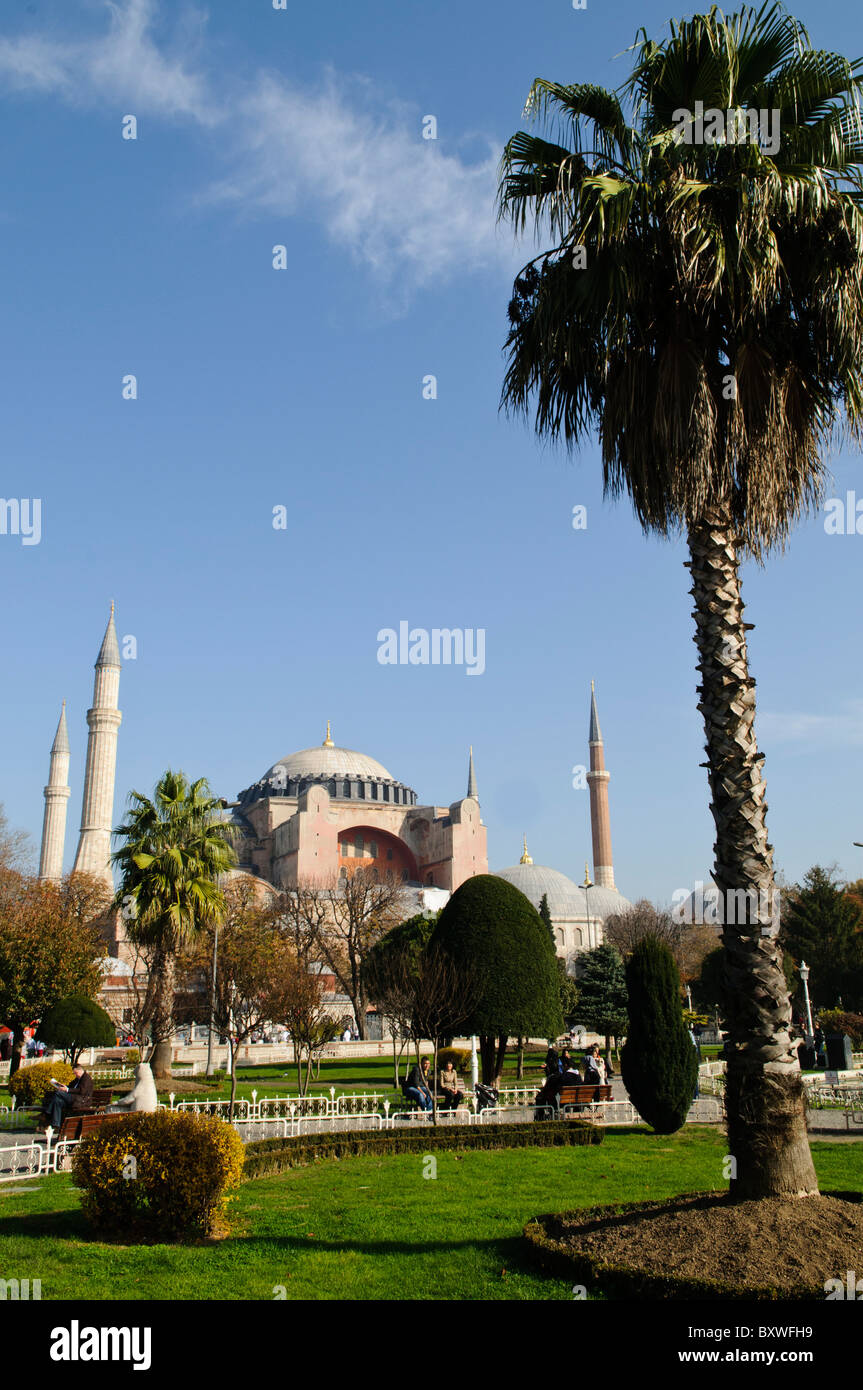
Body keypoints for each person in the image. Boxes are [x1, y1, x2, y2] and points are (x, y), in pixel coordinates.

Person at [37, 1063, 94, 1132]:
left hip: (81, 1100)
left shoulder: (86, 1078)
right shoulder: (77, 1079)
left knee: (58, 1093)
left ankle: (46, 1114)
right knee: (57, 1101)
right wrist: (63, 1087)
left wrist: (67, 1090)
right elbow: (70, 1086)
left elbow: (81, 1091)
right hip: (74, 1099)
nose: (75, 1075)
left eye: (76, 1073)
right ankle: (56, 1125)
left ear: (80, 1070)